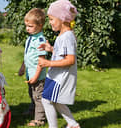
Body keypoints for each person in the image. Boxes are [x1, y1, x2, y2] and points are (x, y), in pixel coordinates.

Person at [38, 0, 80, 128]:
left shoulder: (67, 36)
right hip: (56, 75)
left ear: (62, 18)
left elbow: (70, 60)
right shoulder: (63, 35)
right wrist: (50, 49)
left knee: (46, 100)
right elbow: (61, 54)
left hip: (60, 77)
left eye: (51, 19)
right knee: (55, 101)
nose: (50, 22)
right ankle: (72, 124)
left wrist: (47, 62)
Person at [18, 8, 47, 127]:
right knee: (32, 94)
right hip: (30, 73)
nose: (27, 28)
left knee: (38, 96)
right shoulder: (30, 38)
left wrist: (36, 76)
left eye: (30, 26)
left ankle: (40, 119)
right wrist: (22, 67)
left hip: (38, 75)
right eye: (26, 25)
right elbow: (27, 55)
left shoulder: (40, 40)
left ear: (40, 26)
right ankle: (32, 110)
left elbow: (42, 61)